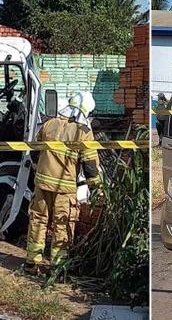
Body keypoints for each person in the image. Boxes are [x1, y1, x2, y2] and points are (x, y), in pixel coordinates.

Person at [25, 91, 101, 275]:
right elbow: (90, 166)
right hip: (64, 188)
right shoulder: (84, 133)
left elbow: (34, 152)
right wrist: (96, 188)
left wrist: (39, 170)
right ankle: (58, 267)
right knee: (62, 224)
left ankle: (31, 263)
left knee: (38, 220)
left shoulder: (49, 124)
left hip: (42, 183)